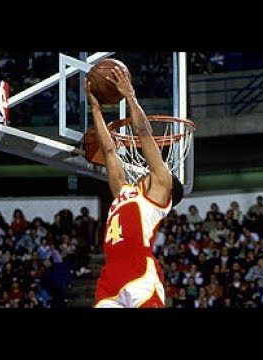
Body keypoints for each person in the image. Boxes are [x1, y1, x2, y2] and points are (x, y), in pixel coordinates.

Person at [85, 66, 184, 308]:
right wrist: (96, 109)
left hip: (139, 269)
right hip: (111, 275)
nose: (158, 170)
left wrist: (130, 96)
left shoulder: (159, 192)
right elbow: (108, 151)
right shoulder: (124, 192)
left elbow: (143, 132)